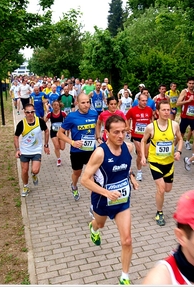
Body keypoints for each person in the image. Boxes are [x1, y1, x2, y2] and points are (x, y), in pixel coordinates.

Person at [81, 115, 139, 285]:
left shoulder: (128, 148)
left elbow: (125, 169)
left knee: (127, 240)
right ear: (107, 133)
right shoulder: (100, 153)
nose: (121, 135)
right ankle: (93, 228)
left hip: (122, 201)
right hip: (102, 200)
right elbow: (85, 179)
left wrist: (132, 178)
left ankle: (124, 277)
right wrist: (105, 192)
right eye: (116, 132)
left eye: (123, 131)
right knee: (100, 224)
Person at [140, 100, 183, 226]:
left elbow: (180, 139)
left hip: (169, 163)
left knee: (168, 189)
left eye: (168, 110)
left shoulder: (174, 125)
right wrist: (143, 156)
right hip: (155, 162)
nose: (166, 112)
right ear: (157, 112)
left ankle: (160, 192)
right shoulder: (151, 127)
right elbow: (143, 141)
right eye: (163, 110)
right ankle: (159, 212)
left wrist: (179, 151)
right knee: (162, 189)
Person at [57, 93, 99, 201]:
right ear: (77, 103)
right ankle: (74, 186)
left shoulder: (94, 114)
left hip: (91, 151)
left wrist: (98, 137)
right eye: (83, 103)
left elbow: (97, 125)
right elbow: (60, 134)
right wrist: (72, 142)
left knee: (93, 175)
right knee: (77, 173)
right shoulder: (71, 116)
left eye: (88, 102)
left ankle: (93, 204)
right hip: (77, 151)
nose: (86, 105)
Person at [14, 103, 50, 197]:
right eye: (28, 112)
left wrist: (46, 145)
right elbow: (16, 136)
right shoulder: (21, 124)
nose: (30, 114)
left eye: (32, 112)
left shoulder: (40, 121)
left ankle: (34, 175)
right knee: (24, 170)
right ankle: (25, 186)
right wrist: (17, 149)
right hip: (24, 151)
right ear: (24, 113)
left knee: (35, 170)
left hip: (36, 150)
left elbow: (46, 131)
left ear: (34, 112)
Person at [125, 94, 154, 181]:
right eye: (143, 101)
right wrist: (127, 127)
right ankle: (139, 172)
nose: (145, 102)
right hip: (136, 135)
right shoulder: (132, 110)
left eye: (146, 101)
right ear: (138, 101)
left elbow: (152, 119)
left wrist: (153, 130)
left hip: (147, 135)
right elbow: (127, 118)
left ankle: (138, 153)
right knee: (141, 155)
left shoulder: (149, 110)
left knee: (146, 155)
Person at [46, 101, 67, 167]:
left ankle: (57, 150)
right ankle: (58, 159)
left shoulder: (63, 113)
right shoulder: (50, 114)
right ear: (52, 106)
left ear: (59, 106)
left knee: (62, 148)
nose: (56, 106)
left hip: (61, 132)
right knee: (57, 146)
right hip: (53, 132)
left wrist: (67, 129)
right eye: (54, 105)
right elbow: (43, 122)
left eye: (57, 105)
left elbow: (67, 122)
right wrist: (45, 129)